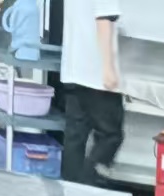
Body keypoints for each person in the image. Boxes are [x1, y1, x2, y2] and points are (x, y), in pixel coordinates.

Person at [59, 0, 123, 186]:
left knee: (75, 136)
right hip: (95, 75)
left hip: (73, 69)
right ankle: (89, 181)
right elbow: (103, 20)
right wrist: (108, 68)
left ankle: (70, 190)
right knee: (111, 135)